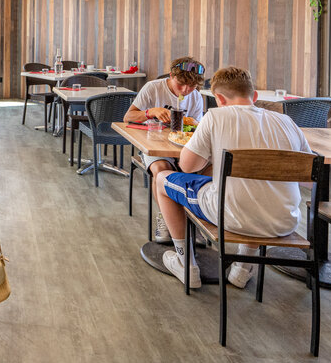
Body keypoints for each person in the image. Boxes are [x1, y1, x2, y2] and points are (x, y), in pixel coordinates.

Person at [150, 66, 312, 289]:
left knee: (162, 179)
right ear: (254, 96)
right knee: (258, 190)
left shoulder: (215, 116)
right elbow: (308, 177)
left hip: (229, 216)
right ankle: (242, 269)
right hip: (285, 220)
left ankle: (185, 263)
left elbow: (187, 167)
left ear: (219, 99)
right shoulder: (287, 122)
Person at [124, 56, 207, 241]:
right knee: (161, 169)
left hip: (182, 147)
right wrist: (150, 112)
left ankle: (194, 221)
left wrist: (193, 124)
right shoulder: (153, 88)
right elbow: (128, 117)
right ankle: (165, 218)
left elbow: (197, 131)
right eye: (181, 84)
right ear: (171, 76)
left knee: (205, 170)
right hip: (153, 145)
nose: (186, 90)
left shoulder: (195, 97)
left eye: (192, 86)